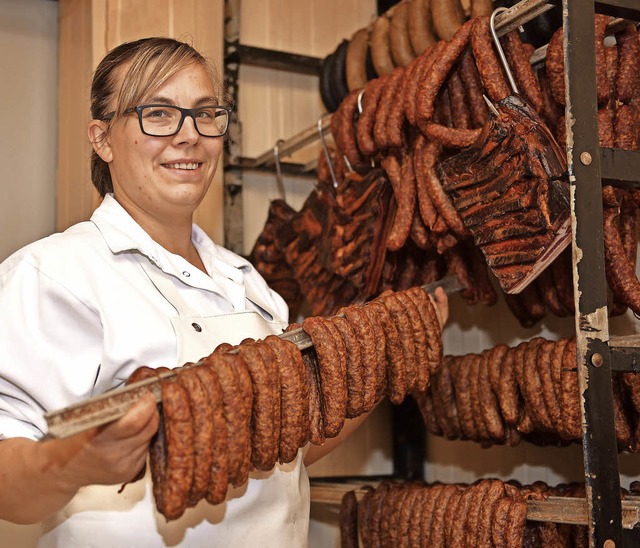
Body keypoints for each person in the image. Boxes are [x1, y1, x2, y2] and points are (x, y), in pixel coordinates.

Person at [0, 37, 449, 547]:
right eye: (159, 114)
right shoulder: (54, 274)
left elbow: (285, 450)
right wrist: (74, 464)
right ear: (102, 139)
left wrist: (394, 348)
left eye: (205, 114)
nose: (189, 136)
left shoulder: (246, 282)